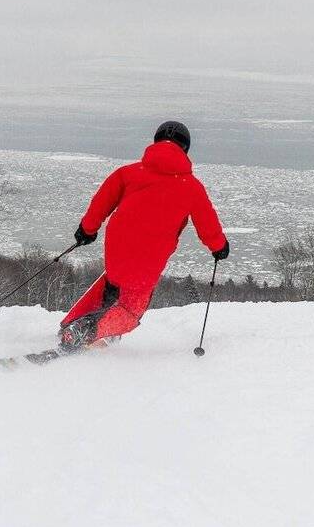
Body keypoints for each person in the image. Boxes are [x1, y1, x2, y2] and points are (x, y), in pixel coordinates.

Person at [57, 120, 229, 353]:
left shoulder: (128, 173)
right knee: (131, 310)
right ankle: (83, 332)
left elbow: (101, 203)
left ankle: (75, 324)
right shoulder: (192, 187)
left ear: (156, 141)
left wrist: (87, 230)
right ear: (185, 148)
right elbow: (208, 226)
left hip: (117, 248)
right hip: (151, 257)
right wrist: (219, 247)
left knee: (113, 283)